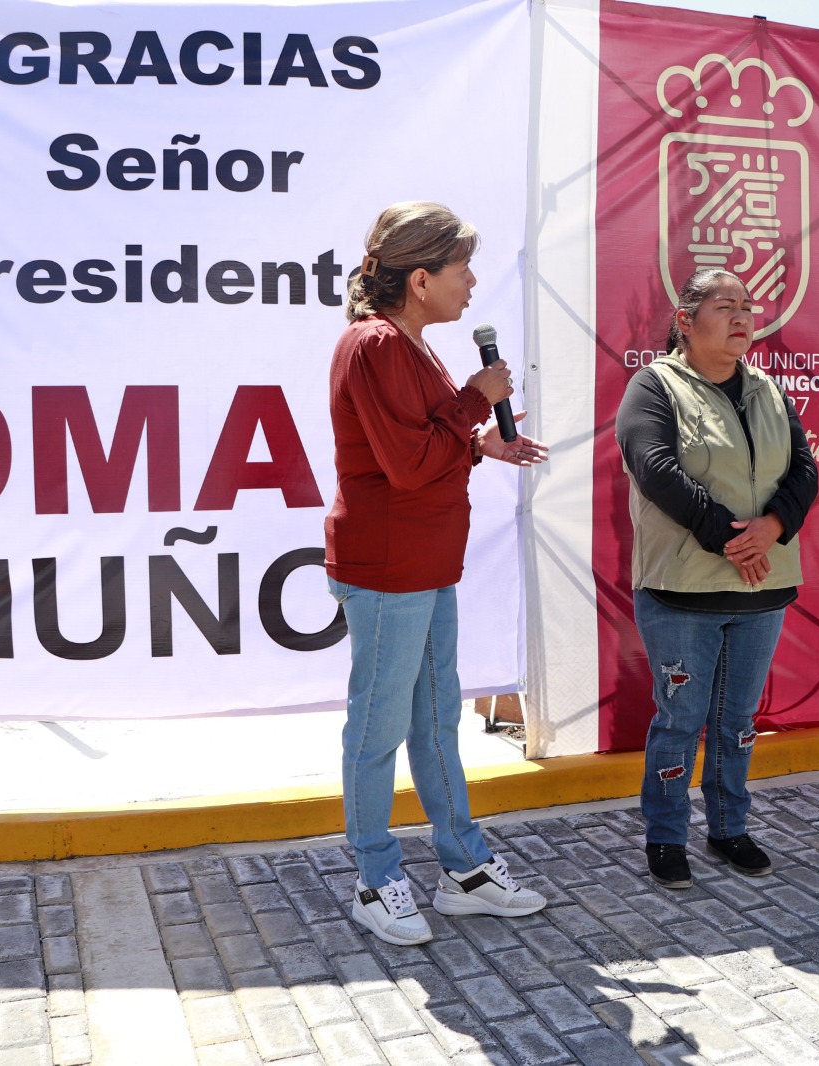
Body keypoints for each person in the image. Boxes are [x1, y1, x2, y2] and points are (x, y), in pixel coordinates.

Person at [326, 202, 549, 945]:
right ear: (420, 279)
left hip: (423, 564)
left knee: (434, 720)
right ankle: (374, 876)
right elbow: (411, 464)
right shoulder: (376, 345)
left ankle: (464, 871)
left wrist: (482, 443)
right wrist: (473, 404)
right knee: (379, 725)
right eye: (460, 271)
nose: (472, 283)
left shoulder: (412, 345)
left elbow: (425, 445)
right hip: (388, 568)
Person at [616, 267, 818, 888]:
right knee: (679, 720)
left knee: (736, 722)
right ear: (685, 319)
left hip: (761, 587)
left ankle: (730, 828)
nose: (741, 317)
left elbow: (804, 468)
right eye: (724, 305)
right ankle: (666, 835)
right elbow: (654, 469)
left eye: (747, 307)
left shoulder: (768, 390)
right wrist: (732, 537)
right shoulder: (654, 387)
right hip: (684, 591)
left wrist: (774, 527)